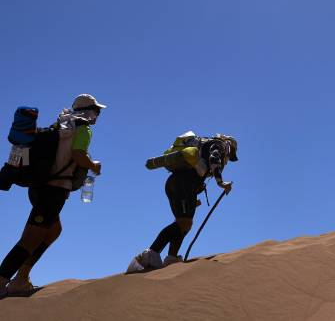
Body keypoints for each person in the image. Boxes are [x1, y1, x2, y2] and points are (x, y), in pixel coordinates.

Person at [0, 94, 105, 298]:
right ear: (90, 110)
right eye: (97, 110)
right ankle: (4, 280)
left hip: (38, 187)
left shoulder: (60, 124)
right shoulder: (83, 128)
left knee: (53, 231)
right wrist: (94, 166)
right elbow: (78, 155)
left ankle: (21, 279)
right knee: (30, 239)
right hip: (54, 190)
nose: (98, 115)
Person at [127, 133, 237, 272]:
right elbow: (214, 158)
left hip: (175, 183)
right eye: (231, 154)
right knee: (184, 223)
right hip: (184, 184)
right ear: (230, 146)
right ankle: (150, 254)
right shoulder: (221, 145)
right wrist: (221, 183)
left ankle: (171, 257)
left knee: (184, 224)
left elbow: (198, 173)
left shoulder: (202, 149)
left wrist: (193, 198)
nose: (228, 158)